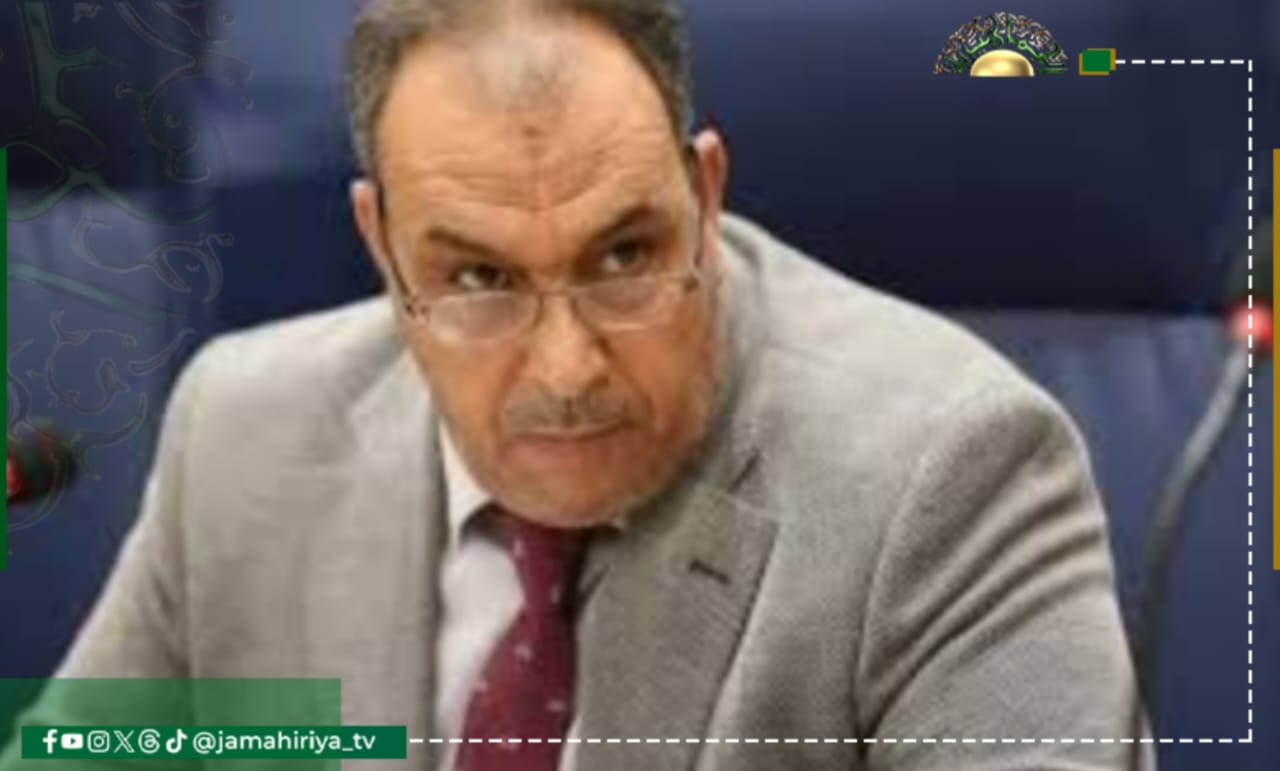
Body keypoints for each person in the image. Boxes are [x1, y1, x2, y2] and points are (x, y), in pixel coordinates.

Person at [0, 1, 1153, 769]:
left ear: (703, 196)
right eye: (478, 277)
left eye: (623, 257)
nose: (565, 368)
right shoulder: (247, 430)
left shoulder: (946, 472)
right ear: (380, 245)